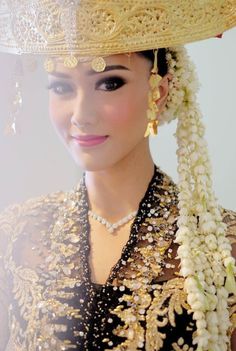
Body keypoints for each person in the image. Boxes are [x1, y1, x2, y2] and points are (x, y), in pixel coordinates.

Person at [0, 1, 235, 351]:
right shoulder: (14, 233)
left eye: (109, 83)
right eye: (62, 87)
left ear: (159, 89)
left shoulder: (223, 248)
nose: (81, 115)